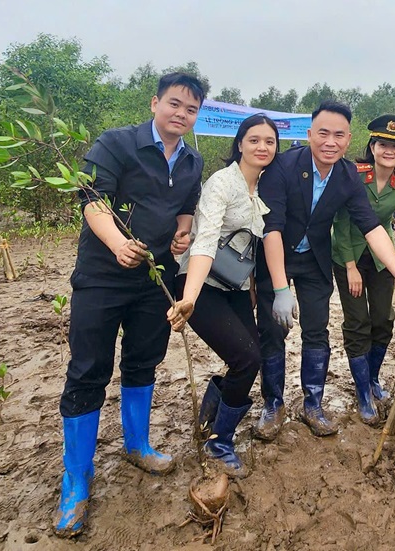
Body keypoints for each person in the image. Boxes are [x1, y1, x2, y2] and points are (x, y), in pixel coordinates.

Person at [54, 73, 206, 537]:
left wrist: (183, 232)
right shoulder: (116, 143)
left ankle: (136, 445)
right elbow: (91, 200)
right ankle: (76, 479)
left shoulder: (192, 160)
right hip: (102, 276)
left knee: (143, 361)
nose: (181, 113)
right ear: (155, 102)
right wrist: (119, 242)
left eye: (191, 108)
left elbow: (186, 205)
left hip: (153, 279)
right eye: (175, 103)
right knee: (89, 367)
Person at [254, 100, 395, 440]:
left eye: (339, 135)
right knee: (273, 331)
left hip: (314, 260)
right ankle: (273, 405)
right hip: (276, 256)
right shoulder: (283, 166)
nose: (330, 142)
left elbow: (371, 227)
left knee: (316, 331)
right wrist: (281, 290)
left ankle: (312, 405)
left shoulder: (347, 174)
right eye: (323, 133)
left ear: (349, 139)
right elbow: (271, 228)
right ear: (310, 134)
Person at [167, 114, 278, 477]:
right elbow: (206, 240)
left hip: (235, 287)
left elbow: (254, 250)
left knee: (252, 356)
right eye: (254, 140)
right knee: (246, 358)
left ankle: (213, 408)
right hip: (200, 285)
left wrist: (256, 293)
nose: (262, 147)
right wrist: (190, 297)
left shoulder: (264, 188)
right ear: (240, 143)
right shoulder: (222, 184)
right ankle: (220, 442)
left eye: (270, 141)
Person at [331, 114, 395, 425]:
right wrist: (350, 267)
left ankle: (373, 379)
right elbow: (340, 223)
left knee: (383, 319)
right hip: (348, 254)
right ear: (372, 145)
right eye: (383, 144)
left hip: (381, 258)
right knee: (358, 322)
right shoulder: (354, 175)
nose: (389, 151)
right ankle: (362, 392)